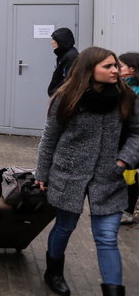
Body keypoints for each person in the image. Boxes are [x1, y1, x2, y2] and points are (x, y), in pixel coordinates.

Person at [36, 46, 139, 296]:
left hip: (109, 177)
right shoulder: (67, 96)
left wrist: (123, 161)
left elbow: (136, 133)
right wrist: (42, 173)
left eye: (116, 65)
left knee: (106, 236)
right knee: (65, 226)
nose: (116, 70)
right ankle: (54, 271)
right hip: (68, 173)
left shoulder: (126, 96)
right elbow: (50, 137)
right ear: (89, 69)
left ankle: (113, 291)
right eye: (108, 66)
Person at [119, 52, 139, 226]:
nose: (117, 69)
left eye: (120, 66)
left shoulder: (134, 92)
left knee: (131, 178)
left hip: (132, 142)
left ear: (131, 69)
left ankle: (128, 212)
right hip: (125, 140)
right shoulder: (124, 87)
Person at [48, 28, 79, 97]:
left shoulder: (71, 57)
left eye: (54, 40)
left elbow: (69, 80)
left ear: (62, 41)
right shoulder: (64, 54)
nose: (52, 42)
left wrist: (57, 92)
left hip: (64, 96)